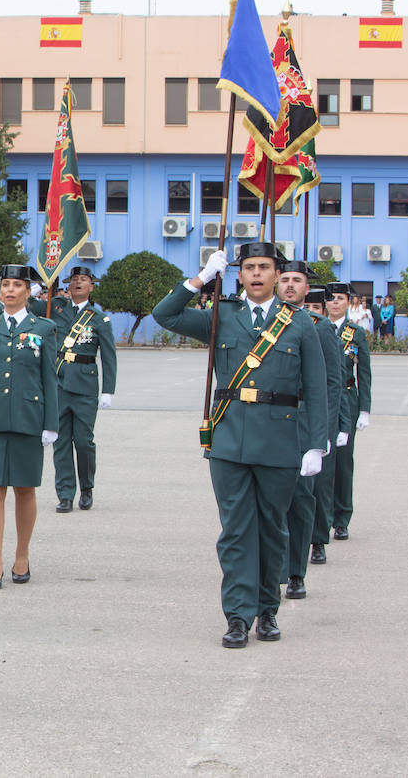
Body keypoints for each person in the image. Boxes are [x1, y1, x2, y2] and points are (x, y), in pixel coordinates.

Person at [153, 242, 327, 648]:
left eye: (264, 267)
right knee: (234, 532)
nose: (256, 274)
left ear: (276, 274)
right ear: (238, 274)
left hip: (280, 441)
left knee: (271, 530)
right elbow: (166, 315)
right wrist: (200, 278)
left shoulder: (300, 324)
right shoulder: (221, 316)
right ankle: (237, 615)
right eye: (248, 267)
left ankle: (267, 611)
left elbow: (317, 390)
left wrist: (315, 444)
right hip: (228, 440)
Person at [0, 264, 59, 590]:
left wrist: (52, 423)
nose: (9, 290)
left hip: (28, 418)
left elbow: (50, 377)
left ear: (28, 291)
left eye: (16, 285)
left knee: (24, 489)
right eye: (5, 284)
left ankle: (21, 555)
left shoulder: (44, 328)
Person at [274, 265, 342, 601]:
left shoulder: (321, 327)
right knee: (270, 500)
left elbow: (330, 383)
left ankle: (296, 571)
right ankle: (271, 569)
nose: (289, 286)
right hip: (270, 419)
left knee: (300, 498)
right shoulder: (263, 322)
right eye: (284, 279)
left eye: (296, 281)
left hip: (302, 420)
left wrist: (323, 434)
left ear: (306, 288)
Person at [50, 266, 117, 513]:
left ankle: (86, 487)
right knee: (61, 442)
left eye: (84, 280)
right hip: (59, 384)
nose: (78, 283)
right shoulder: (56, 309)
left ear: (91, 286)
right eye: (74, 280)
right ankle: (65, 494)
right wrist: (39, 286)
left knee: (84, 441)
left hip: (86, 386)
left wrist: (108, 390)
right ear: (68, 286)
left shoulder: (99, 319)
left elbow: (109, 356)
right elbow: (32, 308)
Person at [323, 281, 371, 543]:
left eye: (340, 298)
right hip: (323, 401)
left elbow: (364, 374)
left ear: (347, 302)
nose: (335, 303)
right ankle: (322, 516)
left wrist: (364, 409)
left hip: (346, 400)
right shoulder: (316, 327)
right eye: (331, 298)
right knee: (320, 460)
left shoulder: (356, 333)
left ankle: (341, 518)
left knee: (342, 462)